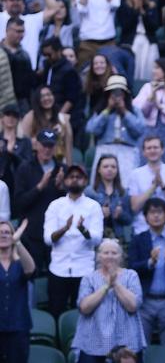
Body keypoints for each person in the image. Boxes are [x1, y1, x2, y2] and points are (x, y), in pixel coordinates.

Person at [43, 164, 104, 318]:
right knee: (56, 313)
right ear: (65, 181)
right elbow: (48, 239)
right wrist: (65, 228)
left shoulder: (93, 206)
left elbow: (97, 240)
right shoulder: (55, 206)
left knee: (85, 315)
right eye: (71, 177)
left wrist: (83, 230)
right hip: (59, 269)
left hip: (84, 270)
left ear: (85, 181)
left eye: (79, 177)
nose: (75, 180)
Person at [129, 197, 165, 349]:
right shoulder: (137, 240)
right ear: (145, 217)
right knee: (140, 347)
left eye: (160, 212)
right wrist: (150, 262)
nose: (156, 216)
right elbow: (131, 268)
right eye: (152, 212)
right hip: (144, 301)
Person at [72, 239, 147, 362]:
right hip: (93, 340)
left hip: (127, 340)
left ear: (121, 257)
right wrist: (106, 286)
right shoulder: (89, 278)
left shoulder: (131, 275)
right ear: (99, 256)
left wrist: (116, 284)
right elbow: (84, 308)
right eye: (106, 253)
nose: (110, 256)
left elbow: (133, 305)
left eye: (114, 253)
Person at [13, 129, 66, 272]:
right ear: (36, 145)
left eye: (51, 146)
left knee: (55, 281)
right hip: (31, 234)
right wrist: (39, 187)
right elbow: (19, 203)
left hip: (56, 236)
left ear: (55, 147)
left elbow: (70, 204)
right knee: (30, 276)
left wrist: (61, 188)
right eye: (44, 145)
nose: (47, 150)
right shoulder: (24, 168)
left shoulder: (62, 170)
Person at [86, 75, 146, 185]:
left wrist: (124, 112)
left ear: (125, 94)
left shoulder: (134, 110)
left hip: (128, 151)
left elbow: (140, 130)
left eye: (119, 92)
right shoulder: (101, 110)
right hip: (105, 150)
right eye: (113, 92)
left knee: (127, 184)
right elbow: (92, 129)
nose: (116, 96)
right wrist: (107, 110)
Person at [128, 135, 165, 235]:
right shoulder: (135, 174)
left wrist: (164, 186)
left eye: (155, 147)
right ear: (144, 152)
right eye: (149, 148)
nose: (152, 151)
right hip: (143, 230)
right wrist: (153, 187)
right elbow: (135, 206)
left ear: (162, 150)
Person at [39, 37, 85, 149]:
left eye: (49, 54)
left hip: (67, 117)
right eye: (45, 55)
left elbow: (71, 99)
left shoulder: (69, 71)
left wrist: (58, 117)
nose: (47, 58)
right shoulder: (48, 67)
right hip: (50, 114)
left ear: (58, 51)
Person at [0, 220, 34, 363]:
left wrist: (18, 242)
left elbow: (30, 269)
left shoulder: (20, 263)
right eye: (0, 233)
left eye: (7, 232)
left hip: (18, 325)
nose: (4, 235)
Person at [0, 0, 58, 70]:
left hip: (28, 73)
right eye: (12, 0)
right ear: (4, 1)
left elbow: (54, 9)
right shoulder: (1, 18)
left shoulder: (32, 20)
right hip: (3, 74)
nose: (15, 2)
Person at [85, 155, 133, 241]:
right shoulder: (90, 192)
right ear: (99, 170)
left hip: (118, 237)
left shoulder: (123, 193)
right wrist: (99, 214)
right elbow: (84, 218)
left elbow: (129, 220)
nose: (109, 169)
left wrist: (120, 215)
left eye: (113, 167)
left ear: (117, 170)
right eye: (105, 166)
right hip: (97, 237)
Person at [21, 85, 73, 165]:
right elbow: (24, 142)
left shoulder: (63, 119)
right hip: (36, 163)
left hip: (58, 161)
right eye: (42, 96)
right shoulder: (31, 116)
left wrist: (69, 168)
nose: (46, 98)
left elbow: (68, 147)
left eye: (49, 95)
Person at [115, 0, 160, 81]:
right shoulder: (124, 8)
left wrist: (143, 13)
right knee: (133, 67)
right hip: (131, 43)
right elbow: (125, 26)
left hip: (148, 42)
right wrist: (135, 10)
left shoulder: (151, 7)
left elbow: (154, 26)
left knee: (149, 67)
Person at [74, 0, 121, 68]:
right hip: (87, 41)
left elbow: (115, 5)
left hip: (108, 40)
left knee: (110, 70)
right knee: (83, 71)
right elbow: (81, 9)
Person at [1, 17, 34, 114]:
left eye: (22, 32)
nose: (21, 35)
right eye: (18, 31)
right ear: (7, 31)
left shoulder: (25, 55)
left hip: (21, 103)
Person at [0, 103, 32, 199]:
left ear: (18, 119)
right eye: (8, 114)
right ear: (2, 117)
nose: (11, 118)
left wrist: (11, 153)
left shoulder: (25, 141)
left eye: (14, 115)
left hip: (17, 184)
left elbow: (28, 164)